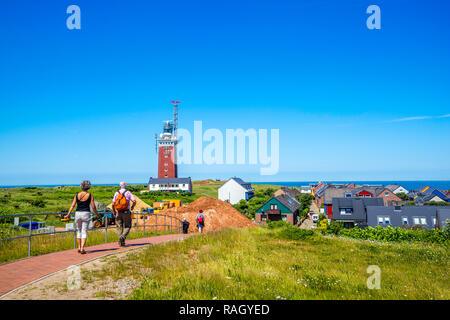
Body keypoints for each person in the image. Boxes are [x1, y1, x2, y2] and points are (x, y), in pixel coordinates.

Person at [65, 180, 100, 254]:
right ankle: (82, 248)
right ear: (88, 187)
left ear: (81, 186)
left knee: (79, 230)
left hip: (77, 214)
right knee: (84, 231)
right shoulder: (90, 195)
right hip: (86, 213)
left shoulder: (77, 195)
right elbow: (93, 207)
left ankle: (78, 247)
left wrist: (68, 214)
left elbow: (72, 205)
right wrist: (97, 214)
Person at [112, 182, 136, 247]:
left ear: (120, 186)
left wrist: (114, 211)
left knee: (119, 226)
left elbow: (113, 204)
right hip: (126, 212)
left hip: (118, 212)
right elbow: (134, 201)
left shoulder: (116, 193)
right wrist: (132, 207)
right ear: (126, 186)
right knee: (127, 226)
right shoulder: (128, 192)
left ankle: (121, 242)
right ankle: (122, 237)